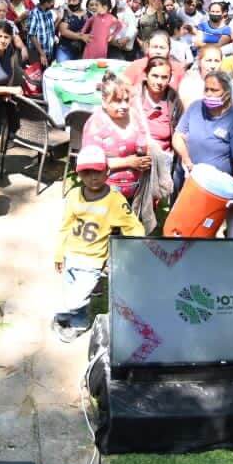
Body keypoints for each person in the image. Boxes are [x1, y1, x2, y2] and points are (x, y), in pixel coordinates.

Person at [52, 144, 144, 342]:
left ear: (107, 171)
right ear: (79, 175)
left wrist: (132, 249)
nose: (93, 177)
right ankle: (77, 319)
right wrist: (59, 252)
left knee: (77, 296)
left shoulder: (115, 200)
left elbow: (132, 226)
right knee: (72, 290)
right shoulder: (74, 195)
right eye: (86, 172)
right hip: (72, 254)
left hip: (93, 260)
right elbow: (65, 225)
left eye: (98, 172)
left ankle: (69, 316)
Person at [173, 70, 233, 205]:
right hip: (190, 178)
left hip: (217, 188)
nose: (209, 94)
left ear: (227, 93)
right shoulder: (195, 107)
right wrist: (187, 161)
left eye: (214, 90)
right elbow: (178, 136)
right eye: (207, 89)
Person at [83, 74, 152, 201]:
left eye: (126, 100)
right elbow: (90, 163)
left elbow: (144, 139)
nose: (124, 106)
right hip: (106, 193)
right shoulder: (96, 124)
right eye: (118, 101)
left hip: (137, 190)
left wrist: (147, 153)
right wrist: (128, 162)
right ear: (104, 101)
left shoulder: (133, 115)